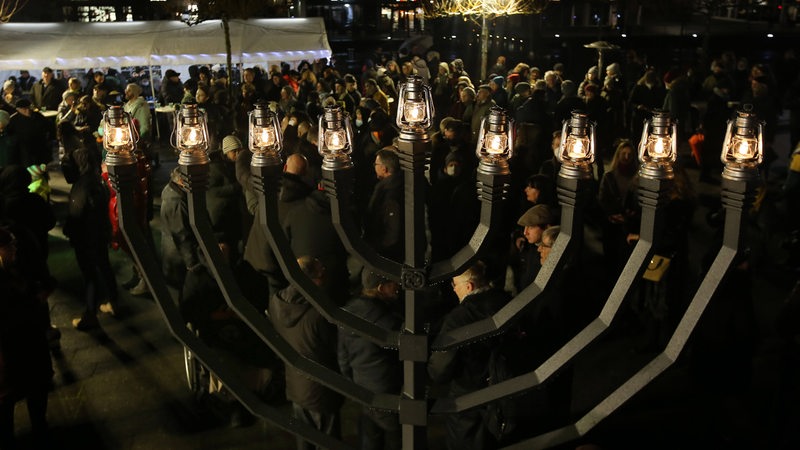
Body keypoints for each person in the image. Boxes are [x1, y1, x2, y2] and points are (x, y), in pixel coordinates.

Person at [428, 260, 510, 450]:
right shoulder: (505, 301)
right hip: (504, 388)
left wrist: (432, 372)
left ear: (468, 286)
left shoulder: (459, 318)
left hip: (467, 395)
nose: (453, 289)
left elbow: (440, 367)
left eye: (454, 285)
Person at [268, 256, 344, 450]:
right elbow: (335, 349)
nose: (325, 278)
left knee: (305, 440)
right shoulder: (319, 314)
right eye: (321, 274)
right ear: (310, 280)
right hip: (322, 389)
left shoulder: (277, 304)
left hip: (296, 384)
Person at [0, 227, 54, 449]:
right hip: (9, 345)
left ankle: (39, 429)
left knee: (36, 387)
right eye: (9, 246)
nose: (15, 248)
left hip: (29, 339)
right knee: (8, 396)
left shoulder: (15, 269)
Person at [338, 270, 402, 450]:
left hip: (362, 385)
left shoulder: (348, 311)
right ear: (381, 288)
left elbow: (343, 354)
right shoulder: (384, 318)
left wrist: (352, 380)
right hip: (386, 387)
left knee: (370, 434)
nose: (397, 287)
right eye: (393, 283)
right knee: (395, 436)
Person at [364, 148, 404, 260]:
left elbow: (392, 232)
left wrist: (379, 250)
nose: (374, 167)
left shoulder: (390, 193)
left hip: (389, 255)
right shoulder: (399, 184)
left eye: (376, 164)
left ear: (384, 168)